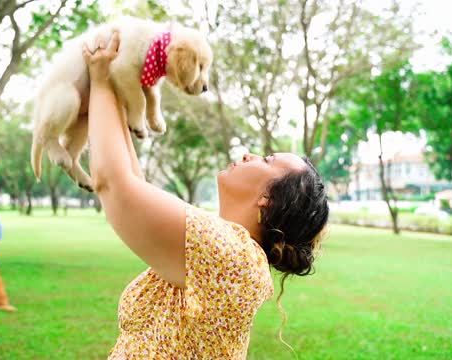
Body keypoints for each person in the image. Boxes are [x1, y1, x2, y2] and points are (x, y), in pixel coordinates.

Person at [82, 32, 329, 359]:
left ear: (268, 200)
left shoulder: (232, 258)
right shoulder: (223, 248)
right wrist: (112, 84)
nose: (250, 155)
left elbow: (114, 184)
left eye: (267, 161)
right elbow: (132, 182)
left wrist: (99, 83)